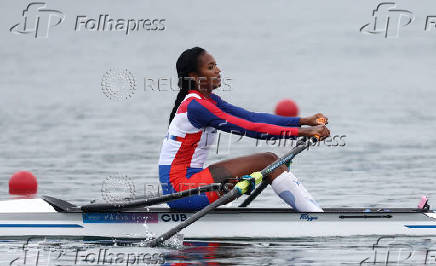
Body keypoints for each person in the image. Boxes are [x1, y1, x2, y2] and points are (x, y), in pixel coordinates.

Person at [158, 47, 330, 211]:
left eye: (216, 65)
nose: (218, 70)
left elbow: (253, 117)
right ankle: (315, 218)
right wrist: (303, 132)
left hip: (190, 184)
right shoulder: (196, 106)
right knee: (269, 161)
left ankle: (312, 214)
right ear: (194, 76)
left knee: (270, 161)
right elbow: (250, 129)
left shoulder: (209, 101)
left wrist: (304, 121)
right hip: (182, 189)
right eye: (211, 67)